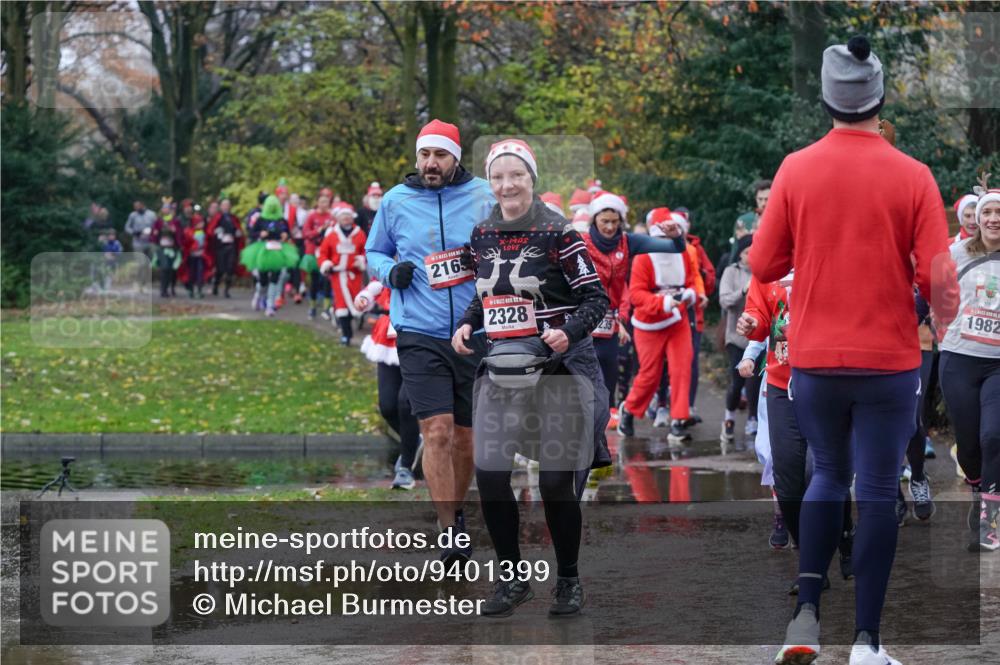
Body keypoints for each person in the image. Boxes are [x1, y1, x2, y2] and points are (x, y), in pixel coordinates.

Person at [758, 36, 958, 665]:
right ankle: (867, 644)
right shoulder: (913, 175)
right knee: (875, 487)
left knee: (825, 475)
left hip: (814, 358)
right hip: (890, 360)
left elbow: (763, 262)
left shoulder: (795, 168)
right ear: (879, 98)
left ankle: (805, 614)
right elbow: (939, 279)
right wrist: (945, 335)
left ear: (827, 99)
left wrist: (814, 249)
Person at [451, 138, 609, 617]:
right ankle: (513, 578)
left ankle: (567, 579)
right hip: (504, 368)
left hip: (559, 368)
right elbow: (487, 292)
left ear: (531, 178)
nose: (506, 184)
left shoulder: (560, 233)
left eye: (515, 175)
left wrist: (565, 333)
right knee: (491, 473)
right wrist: (466, 322)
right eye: (498, 176)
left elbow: (597, 300)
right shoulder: (481, 233)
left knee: (557, 482)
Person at [365, 119, 494, 564]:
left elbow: (507, 245)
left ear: (455, 157)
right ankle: (448, 529)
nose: (431, 164)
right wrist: (389, 273)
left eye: (440, 155)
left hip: (474, 332)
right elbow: (374, 251)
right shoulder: (396, 201)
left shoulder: (482, 195)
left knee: (466, 440)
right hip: (418, 329)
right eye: (424, 155)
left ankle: (456, 512)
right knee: (435, 432)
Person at [580, 194, 685, 422]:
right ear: (594, 220)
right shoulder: (580, 241)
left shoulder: (628, 242)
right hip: (582, 319)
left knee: (608, 378)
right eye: (604, 221)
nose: (609, 227)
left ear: (621, 221)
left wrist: (676, 236)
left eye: (614, 222)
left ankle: (601, 432)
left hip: (610, 320)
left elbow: (675, 249)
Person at [939, 183, 1000, 552]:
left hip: (998, 365)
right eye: (988, 213)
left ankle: (989, 523)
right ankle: (977, 489)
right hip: (959, 358)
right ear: (978, 220)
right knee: (969, 445)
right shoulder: (956, 253)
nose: (994, 219)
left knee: (994, 438)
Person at [617, 208, 700, 443]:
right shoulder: (644, 258)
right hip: (649, 323)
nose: (666, 244)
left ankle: (678, 420)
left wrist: (691, 295)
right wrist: (663, 302)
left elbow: (692, 280)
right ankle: (629, 410)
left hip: (678, 319)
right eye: (662, 239)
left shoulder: (683, 253)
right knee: (650, 375)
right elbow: (636, 294)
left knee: (682, 368)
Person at [355, 280, 422, 490]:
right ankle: (414, 442)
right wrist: (365, 297)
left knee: (405, 404)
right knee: (388, 406)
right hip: (388, 335)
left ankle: (406, 468)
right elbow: (376, 284)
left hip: (420, 332)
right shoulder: (388, 263)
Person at [718, 233, 761, 451]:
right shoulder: (731, 271)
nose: (750, 256)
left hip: (759, 335)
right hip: (736, 337)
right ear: (740, 253)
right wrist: (743, 290)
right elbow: (724, 300)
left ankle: (753, 419)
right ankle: (729, 418)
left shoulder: (764, 271)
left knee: (755, 382)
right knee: (737, 382)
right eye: (746, 252)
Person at [674, 207, 715, 425]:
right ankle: (666, 405)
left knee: (691, 362)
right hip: (668, 314)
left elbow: (702, 276)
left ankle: (686, 406)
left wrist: (701, 292)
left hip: (693, 315)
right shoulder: (659, 247)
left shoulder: (694, 249)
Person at [239, 194, 298, 317]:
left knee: (275, 279)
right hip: (263, 250)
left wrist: (285, 236)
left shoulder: (282, 221)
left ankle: (270, 305)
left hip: (278, 251)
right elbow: (251, 233)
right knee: (263, 279)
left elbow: (288, 234)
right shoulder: (261, 219)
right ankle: (259, 296)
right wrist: (260, 233)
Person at [319, 202, 367, 345]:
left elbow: (366, 250)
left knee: (356, 300)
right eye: (343, 215)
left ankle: (353, 321)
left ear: (352, 217)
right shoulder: (332, 234)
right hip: (338, 275)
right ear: (338, 218)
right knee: (341, 304)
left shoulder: (359, 233)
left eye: (348, 215)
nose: (346, 218)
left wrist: (362, 260)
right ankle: (346, 335)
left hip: (355, 274)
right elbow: (323, 253)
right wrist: (325, 264)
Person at [302, 190, 335, 318]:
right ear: (317, 203)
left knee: (327, 280)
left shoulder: (332, 217)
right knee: (314, 280)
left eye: (326, 202)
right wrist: (319, 230)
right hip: (313, 252)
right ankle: (312, 306)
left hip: (327, 253)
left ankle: (326, 308)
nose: (324, 204)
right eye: (322, 201)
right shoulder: (312, 216)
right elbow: (306, 233)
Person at [207, 197, 243, 298]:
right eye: (224, 205)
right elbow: (210, 231)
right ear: (221, 207)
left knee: (230, 267)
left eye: (228, 205)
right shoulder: (218, 217)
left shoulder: (233, 218)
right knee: (220, 268)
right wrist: (217, 233)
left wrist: (237, 233)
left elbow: (238, 229)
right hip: (220, 246)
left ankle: (227, 290)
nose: (226, 207)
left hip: (231, 245)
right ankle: (215, 286)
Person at [150, 198, 183, 298]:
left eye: (168, 208)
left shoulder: (175, 221)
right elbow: (153, 235)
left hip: (172, 248)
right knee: (165, 268)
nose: (166, 210)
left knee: (171, 269)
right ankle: (163, 289)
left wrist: (174, 232)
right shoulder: (158, 221)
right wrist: (156, 234)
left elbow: (179, 234)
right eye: (164, 208)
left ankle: (170, 287)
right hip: (162, 248)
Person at [183, 213, 210, 298]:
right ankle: (191, 290)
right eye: (200, 222)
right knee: (191, 273)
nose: (202, 224)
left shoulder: (204, 232)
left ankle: (199, 290)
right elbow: (186, 243)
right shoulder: (189, 231)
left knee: (200, 273)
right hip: (191, 256)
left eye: (202, 222)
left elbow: (208, 243)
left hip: (201, 255)